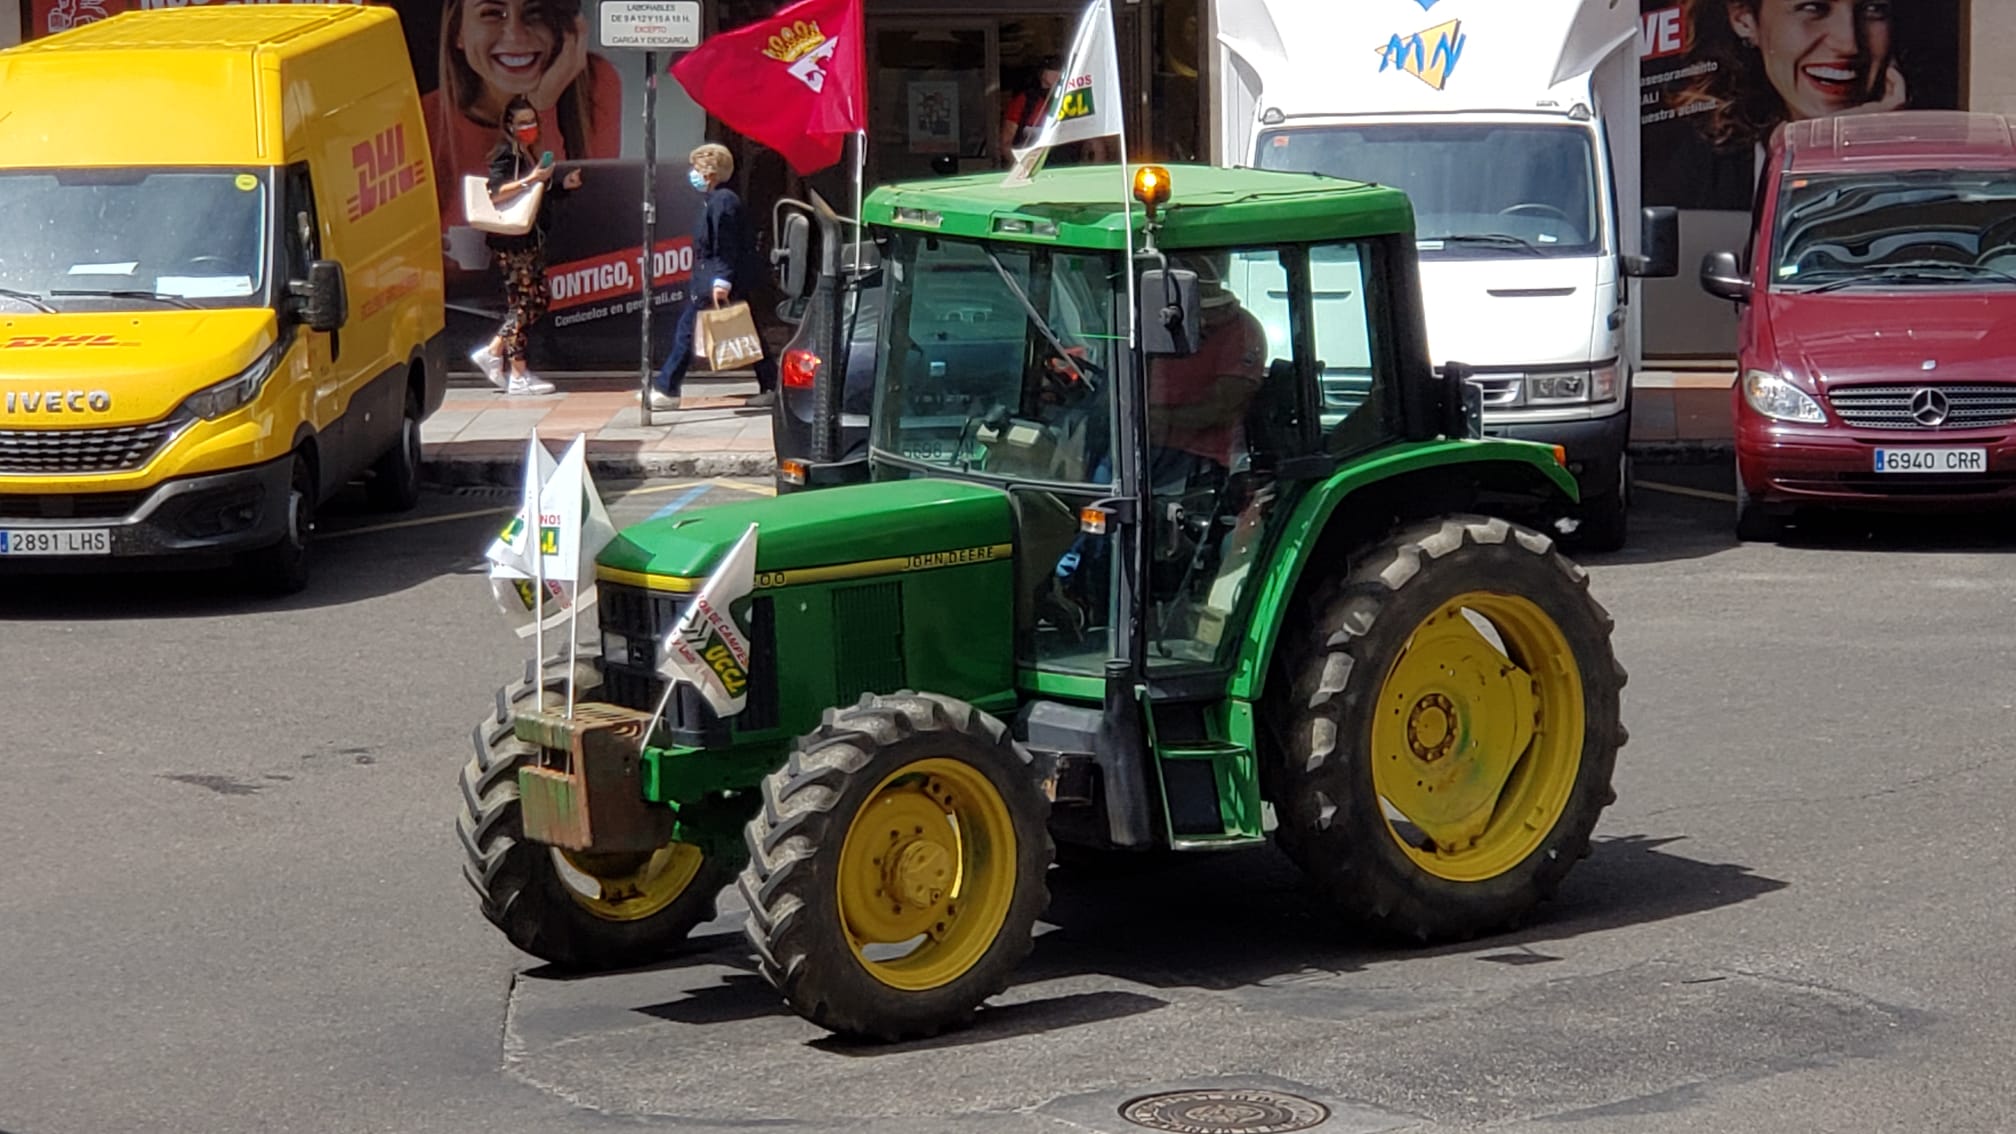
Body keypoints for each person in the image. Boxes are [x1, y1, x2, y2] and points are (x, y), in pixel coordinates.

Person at [1045, 260, 1267, 633]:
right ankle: (1062, 580)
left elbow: (1224, 403)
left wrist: (1154, 418)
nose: (1205, 322)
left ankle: (1080, 591)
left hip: (1194, 456)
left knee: (1108, 508)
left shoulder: (1241, 332)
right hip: (1135, 438)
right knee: (1062, 488)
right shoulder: (1152, 325)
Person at [1656, 0, 1907, 208]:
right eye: (1813, 8)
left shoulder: (1921, 163)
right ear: (1745, 20)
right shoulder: (1696, 173)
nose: (1849, 44)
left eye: (1874, 9)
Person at [425, 0, 621, 255]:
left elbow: (571, 232)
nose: (515, 34)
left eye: (536, 12)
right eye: (492, 13)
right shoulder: (421, 118)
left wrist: (540, 108)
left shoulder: (594, 85)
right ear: (459, 32)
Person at [646, 144, 777, 412]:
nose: (692, 174)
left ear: (710, 173)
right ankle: (771, 384)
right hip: (713, 278)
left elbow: (725, 245)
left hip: (716, 280)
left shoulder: (723, 201)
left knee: (687, 332)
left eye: (696, 168)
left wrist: (721, 281)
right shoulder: (716, 200)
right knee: (745, 330)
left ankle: (667, 389)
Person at [471, 96, 583, 396]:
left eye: (532, 120)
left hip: (530, 239)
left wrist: (560, 186)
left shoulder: (527, 153)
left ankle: (495, 350)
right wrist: (531, 179)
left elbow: (536, 198)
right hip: (512, 243)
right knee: (521, 303)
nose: (528, 127)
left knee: (537, 300)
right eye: (521, 122)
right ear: (509, 125)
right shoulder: (506, 155)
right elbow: (495, 192)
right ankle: (518, 372)